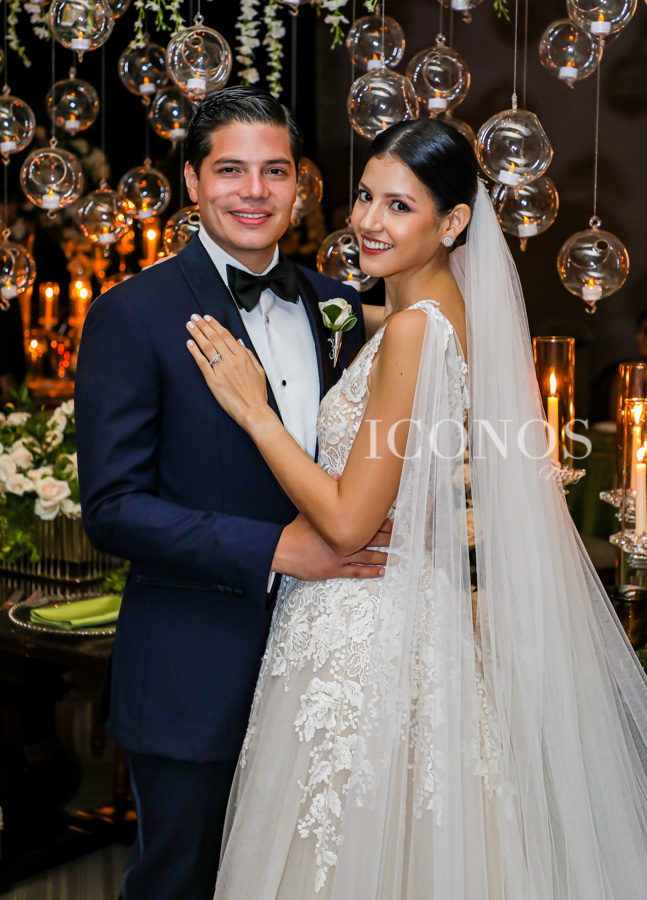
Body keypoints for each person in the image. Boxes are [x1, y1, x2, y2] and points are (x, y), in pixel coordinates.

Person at [185, 118, 647, 898]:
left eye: (399, 206)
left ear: (453, 221)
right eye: (365, 196)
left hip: (361, 630)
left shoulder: (412, 332)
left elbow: (347, 522)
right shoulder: (442, 318)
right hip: (407, 617)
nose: (368, 220)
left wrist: (255, 412)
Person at [74, 87, 391, 900]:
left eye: (274, 171)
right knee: (179, 884)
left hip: (327, 671)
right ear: (191, 180)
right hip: (194, 672)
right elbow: (111, 507)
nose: (254, 191)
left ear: (299, 185)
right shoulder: (132, 314)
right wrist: (274, 547)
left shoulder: (337, 305)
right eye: (230, 170)